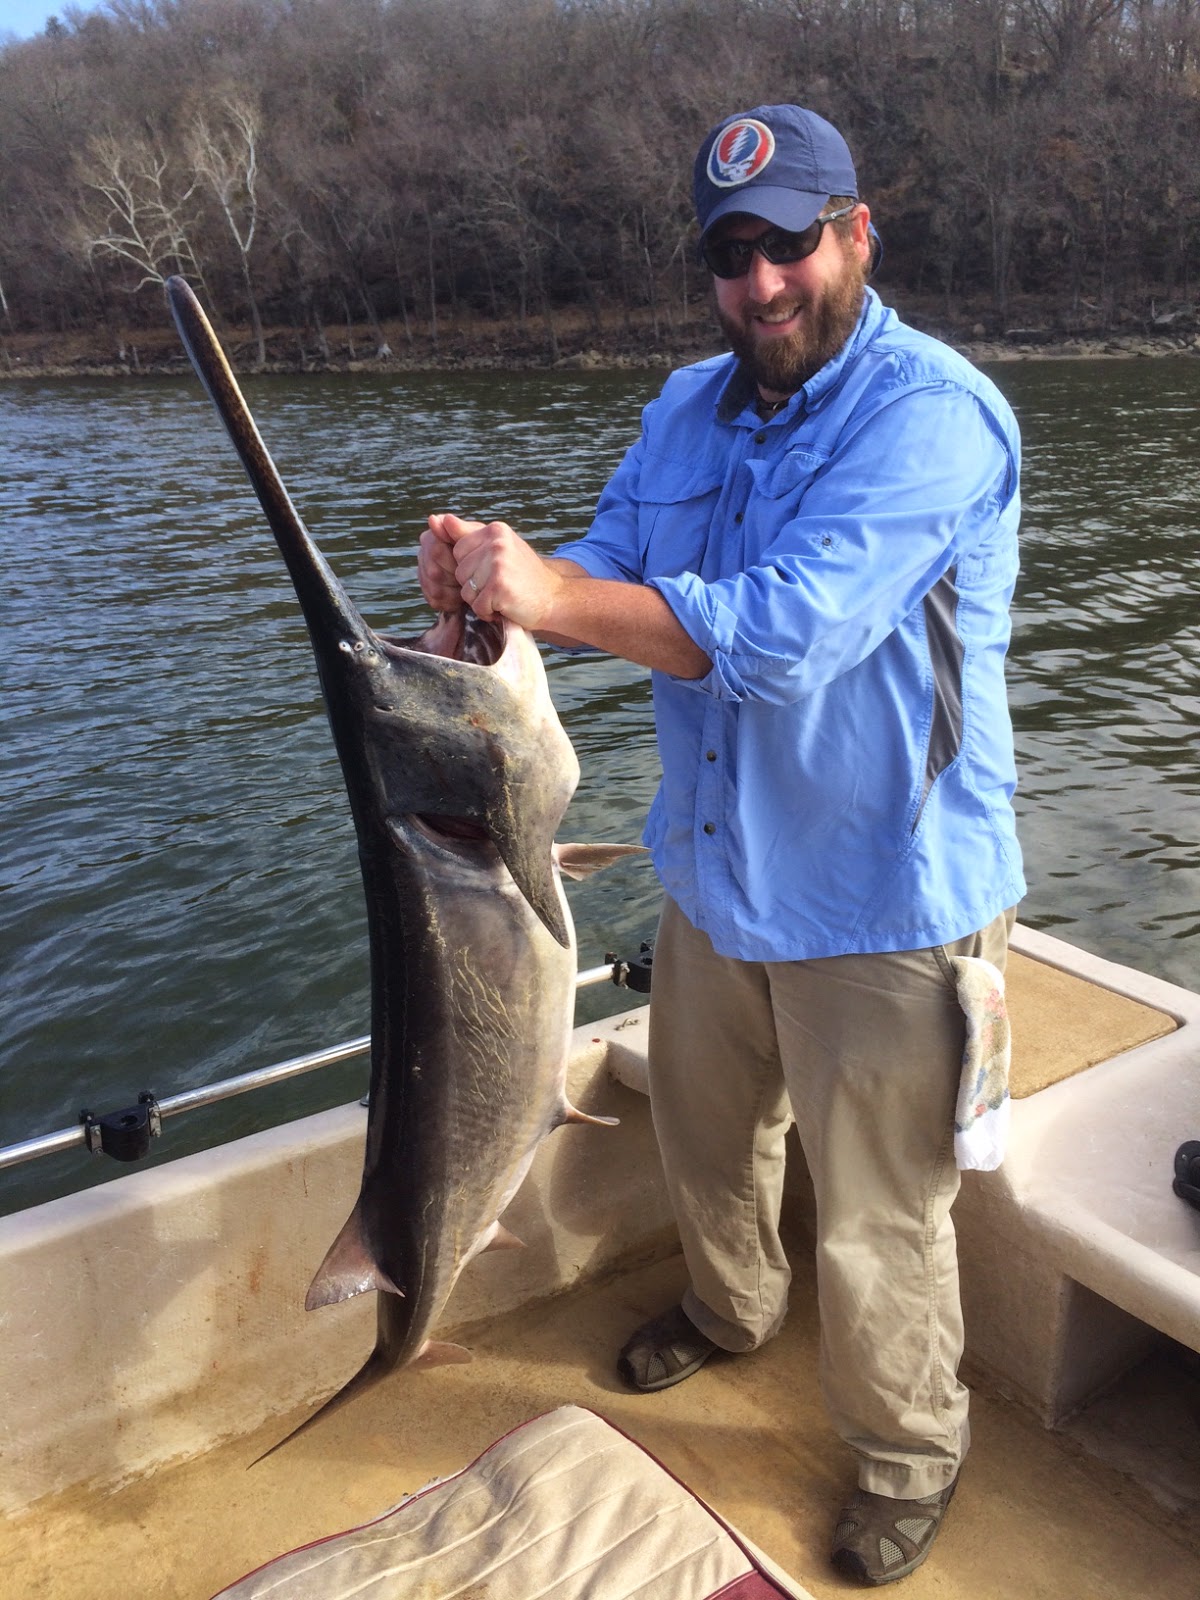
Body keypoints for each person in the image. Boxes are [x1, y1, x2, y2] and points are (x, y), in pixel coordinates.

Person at [418, 103, 1025, 1587]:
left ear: (857, 234)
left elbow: (786, 634)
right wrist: (498, 604)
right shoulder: (686, 407)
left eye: (789, 245)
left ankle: (909, 1454)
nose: (760, 284)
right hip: (714, 878)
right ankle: (732, 1310)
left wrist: (557, 600)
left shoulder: (936, 417)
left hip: (888, 899)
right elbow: (613, 565)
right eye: (728, 256)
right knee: (709, 1138)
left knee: (880, 1216)